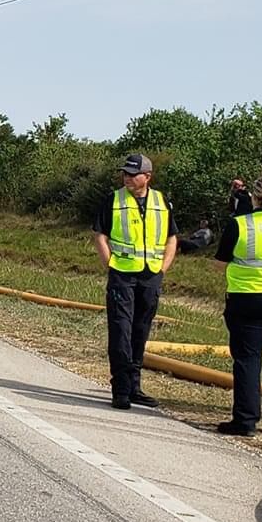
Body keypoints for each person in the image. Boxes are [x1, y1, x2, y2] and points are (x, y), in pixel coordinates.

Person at [93, 151, 176, 410]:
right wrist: (110, 264)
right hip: (122, 275)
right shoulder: (114, 200)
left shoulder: (162, 201)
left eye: (132, 174)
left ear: (147, 177)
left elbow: (172, 237)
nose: (126, 177)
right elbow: (99, 235)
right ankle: (121, 389)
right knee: (121, 329)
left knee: (141, 329)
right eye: (124, 173)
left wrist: (163, 269)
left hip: (150, 275)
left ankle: (135, 386)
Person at [214, 174, 262, 436]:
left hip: (246, 297)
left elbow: (220, 264)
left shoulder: (240, 224)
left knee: (248, 360)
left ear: (254, 197)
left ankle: (246, 421)